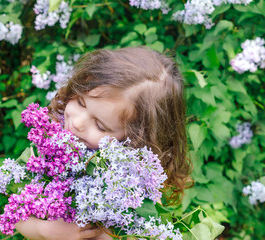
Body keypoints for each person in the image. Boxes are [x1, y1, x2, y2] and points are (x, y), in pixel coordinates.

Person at [15, 47, 192, 240]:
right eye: (81, 102)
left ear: (135, 140)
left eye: (100, 125)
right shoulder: (53, 144)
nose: (77, 122)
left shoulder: (134, 187)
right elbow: (16, 214)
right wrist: (46, 231)